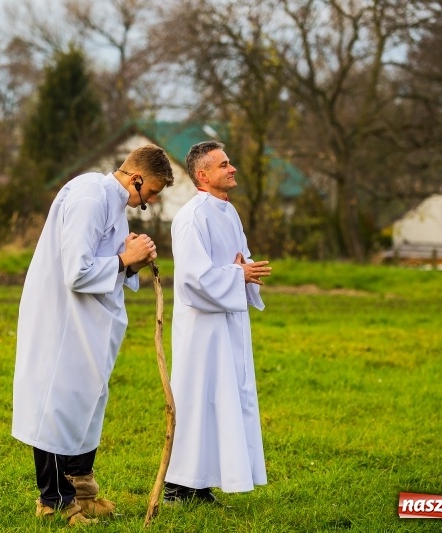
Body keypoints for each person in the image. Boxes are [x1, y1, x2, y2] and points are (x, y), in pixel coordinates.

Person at [12, 144, 174, 525]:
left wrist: (131, 264)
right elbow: (78, 271)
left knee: (87, 401)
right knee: (57, 405)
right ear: (136, 178)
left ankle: (82, 491)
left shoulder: (113, 205)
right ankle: (54, 501)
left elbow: (110, 268)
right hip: (62, 320)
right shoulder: (88, 196)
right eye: (149, 193)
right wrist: (125, 258)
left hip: (91, 325)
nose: (146, 202)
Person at [163, 140, 272, 504]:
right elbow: (193, 278)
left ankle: (203, 481)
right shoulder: (192, 216)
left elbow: (236, 260)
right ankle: (180, 483)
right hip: (202, 327)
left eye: (230, 162)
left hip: (228, 320)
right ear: (202, 174)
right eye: (224, 164)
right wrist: (237, 275)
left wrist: (247, 272)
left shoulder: (229, 212)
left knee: (224, 398)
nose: (233, 168)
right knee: (200, 398)